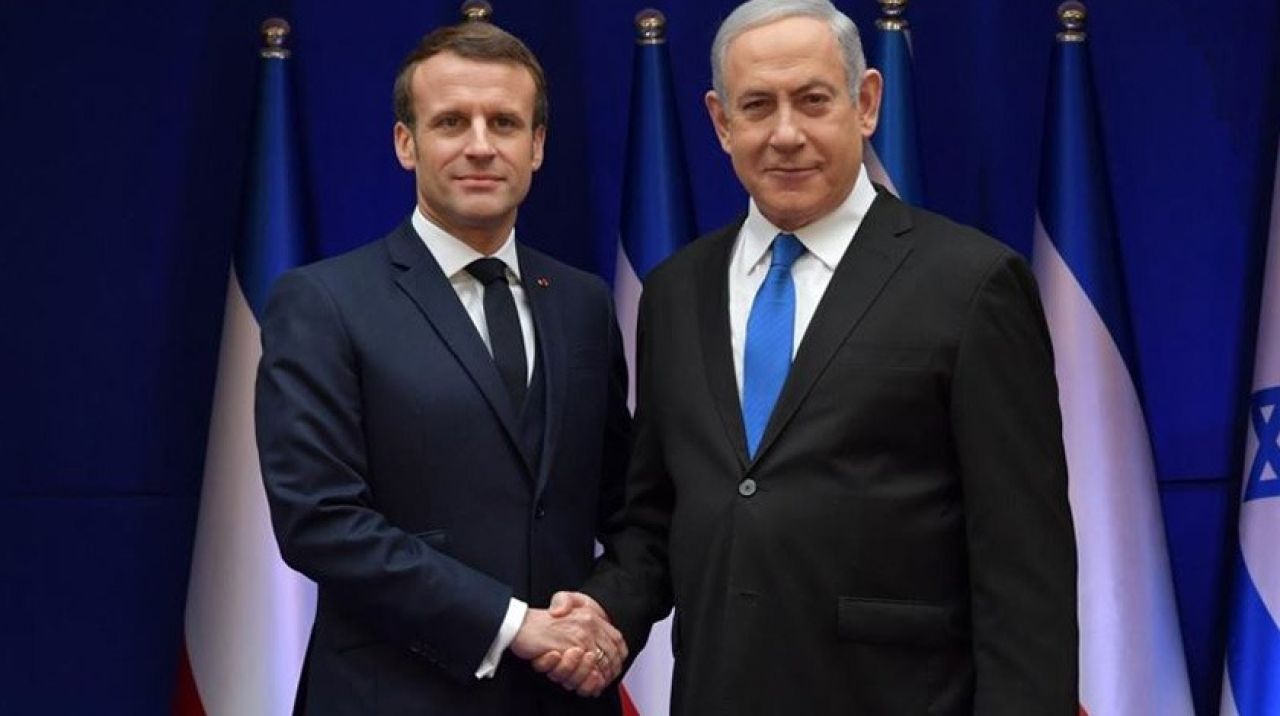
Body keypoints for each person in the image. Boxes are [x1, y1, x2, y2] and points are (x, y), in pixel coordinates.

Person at [542, 0, 1079, 713]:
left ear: (866, 103)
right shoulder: (674, 293)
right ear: (721, 122)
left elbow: (1025, 567)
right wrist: (604, 614)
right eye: (757, 106)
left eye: (813, 100)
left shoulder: (972, 283)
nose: (786, 133)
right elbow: (660, 516)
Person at [255, 21, 628, 715]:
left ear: (537, 145)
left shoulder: (583, 302)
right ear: (407, 142)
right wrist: (512, 625)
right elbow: (319, 520)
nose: (480, 145)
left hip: (563, 696)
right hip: (393, 696)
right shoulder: (324, 302)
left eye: (505, 123)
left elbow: (624, 502)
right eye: (451, 122)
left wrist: (600, 618)